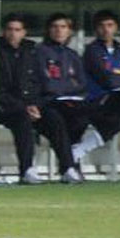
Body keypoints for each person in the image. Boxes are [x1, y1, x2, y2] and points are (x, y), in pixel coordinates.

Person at [0, 14, 46, 184]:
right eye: (10, 29)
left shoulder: (32, 53)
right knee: (22, 119)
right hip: (0, 108)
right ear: (3, 32)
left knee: (55, 118)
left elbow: (38, 82)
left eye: (17, 30)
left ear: (24, 32)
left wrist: (35, 104)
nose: (13, 33)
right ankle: (27, 168)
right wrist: (24, 106)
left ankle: (69, 167)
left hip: (28, 107)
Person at [35, 13, 90, 183]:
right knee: (57, 121)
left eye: (63, 27)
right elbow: (46, 83)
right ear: (48, 30)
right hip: (46, 104)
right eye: (55, 27)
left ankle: (72, 164)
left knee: (87, 116)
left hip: (71, 102)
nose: (59, 30)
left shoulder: (72, 55)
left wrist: (63, 86)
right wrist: (65, 86)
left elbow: (81, 83)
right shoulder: (39, 52)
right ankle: (68, 168)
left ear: (69, 31)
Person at [76, 10, 120, 162]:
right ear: (96, 29)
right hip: (99, 101)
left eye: (110, 25)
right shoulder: (92, 52)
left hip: (119, 102)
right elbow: (108, 79)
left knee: (116, 123)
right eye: (102, 26)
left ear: (116, 28)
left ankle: (78, 151)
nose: (106, 29)